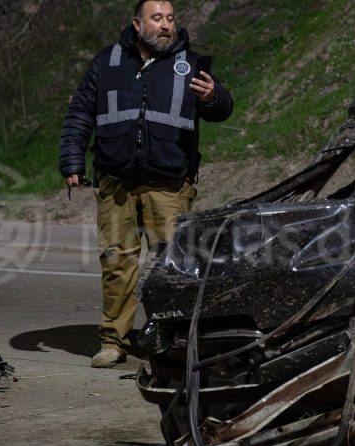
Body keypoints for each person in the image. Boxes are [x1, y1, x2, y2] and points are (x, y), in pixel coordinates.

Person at [59, 0, 233, 367]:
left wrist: (214, 96)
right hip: (115, 181)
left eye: (170, 19)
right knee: (117, 263)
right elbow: (80, 113)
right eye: (158, 19)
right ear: (137, 25)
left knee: (173, 267)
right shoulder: (107, 63)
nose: (166, 25)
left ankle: (175, 340)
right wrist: (72, 159)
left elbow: (222, 109)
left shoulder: (192, 64)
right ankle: (113, 342)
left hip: (169, 184)